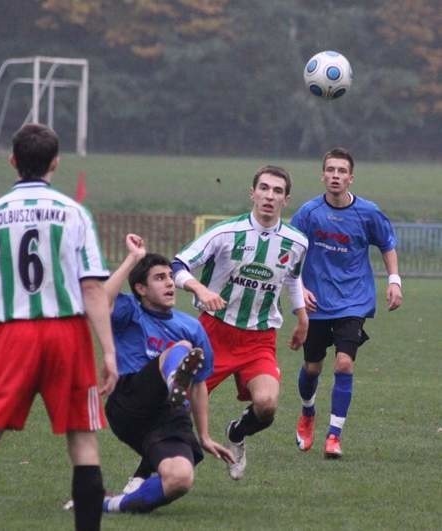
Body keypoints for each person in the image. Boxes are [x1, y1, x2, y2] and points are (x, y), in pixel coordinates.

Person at [0, 123, 118, 531]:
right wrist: (108, 351)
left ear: (12, 161)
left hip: (9, 334)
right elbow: (92, 287)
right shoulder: (74, 212)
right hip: (66, 335)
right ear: (56, 162)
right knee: (83, 440)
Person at [171, 165, 309, 480]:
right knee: (176, 407)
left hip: (259, 339)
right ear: (253, 192)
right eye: (264, 188)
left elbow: (294, 278)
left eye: (277, 191)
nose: (269, 196)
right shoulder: (224, 233)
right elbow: (177, 264)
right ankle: (155, 470)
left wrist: (301, 316)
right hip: (213, 334)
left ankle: (236, 433)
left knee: (267, 404)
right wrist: (199, 288)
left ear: (286, 199)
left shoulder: (297, 241)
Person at [100, 233, 233, 513]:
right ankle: (174, 383)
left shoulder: (192, 327)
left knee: (180, 478)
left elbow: (198, 385)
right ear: (141, 289)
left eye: (170, 277)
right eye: (159, 278)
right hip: (129, 401)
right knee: (181, 349)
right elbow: (99, 300)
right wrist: (133, 258)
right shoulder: (129, 311)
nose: (170, 282)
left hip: (166, 415)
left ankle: (108, 504)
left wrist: (205, 436)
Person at [291, 147, 403, 458]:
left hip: (354, 300)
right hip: (316, 302)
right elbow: (290, 254)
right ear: (322, 175)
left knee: (344, 362)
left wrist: (394, 280)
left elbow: (387, 244)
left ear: (350, 178)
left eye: (342, 171)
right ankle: (308, 412)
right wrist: (300, 288)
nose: (335, 176)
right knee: (312, 367)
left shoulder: (368, 212)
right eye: (331, 170)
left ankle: (334, 436)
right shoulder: (308, 213)